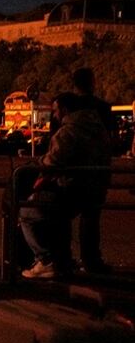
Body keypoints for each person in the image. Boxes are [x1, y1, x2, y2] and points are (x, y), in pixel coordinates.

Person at [20, 92, 111, 279]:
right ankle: (67, 260)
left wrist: (39, 162)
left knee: (27, 212)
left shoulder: (69, 131)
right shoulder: (98, 128)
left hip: (72, 189)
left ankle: (45, 260)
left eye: (55, 111)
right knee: (62, 218)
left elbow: (53, 161)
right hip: (96, 189)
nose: (54, 116)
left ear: (65, 109)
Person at [71, 67, 114, 273]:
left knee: (61, 216)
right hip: (96, 170)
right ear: (93, 82)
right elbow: (111, 140)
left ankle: (63, 258)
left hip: (71, 169)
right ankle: (91, 260)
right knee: (91, 217)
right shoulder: (103, 108)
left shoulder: (68, 107)